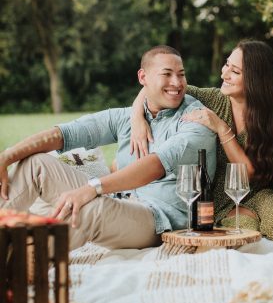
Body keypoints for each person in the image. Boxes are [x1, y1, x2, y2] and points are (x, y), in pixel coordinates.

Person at [130, 39, 273, 240]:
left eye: (234, 71)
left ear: (255, 79)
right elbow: (158, 87)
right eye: (226, 65)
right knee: (241, 232)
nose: (224, 73)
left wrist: (221, 128)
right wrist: (136, 119)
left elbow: (249, 174)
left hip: (264, 190)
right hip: (223, 199)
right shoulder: (212, 99)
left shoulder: (271, 116)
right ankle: (255, 217)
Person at [0, 46, 216, 250]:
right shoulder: (128, 117)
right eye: (167, 74)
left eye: (181, 74)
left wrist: (91, 188)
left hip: (159, 219)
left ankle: (19, 263)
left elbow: (154, 165)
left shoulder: (196, 120)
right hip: (118, 203)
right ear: (143, 77)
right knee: (35, 163)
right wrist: (7, 156)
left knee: (90, 209)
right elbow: (65, 133)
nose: (177, 82)